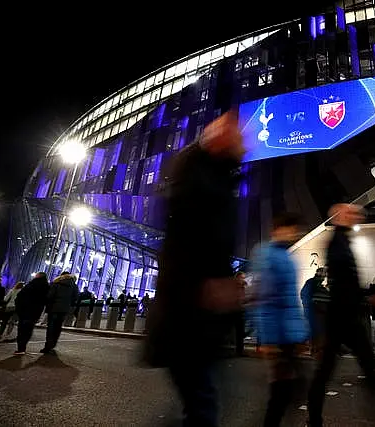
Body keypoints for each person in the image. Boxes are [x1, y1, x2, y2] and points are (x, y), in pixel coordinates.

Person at [145, 111, 245, 427]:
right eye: (238, 137)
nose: (245, 144)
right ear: (217, 138)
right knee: (202, 402)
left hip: (199, 312)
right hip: (190, 309)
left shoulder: (216, 178)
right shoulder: (198, 180)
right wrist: (212, 281)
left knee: (202, 398)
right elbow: (193, 239)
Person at [307, 204, 375, 427]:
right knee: (328, 373)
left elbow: (347, 282)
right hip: (341, 318)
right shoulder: (337, 243)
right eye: (352, 213)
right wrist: (369, 297)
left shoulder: (342, 241)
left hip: (345, 317)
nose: (358, 217)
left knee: (367, 365)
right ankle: (314, 419)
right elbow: (344, 283)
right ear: (340, 216)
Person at [252, 212, 308, 427]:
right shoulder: (268, 256)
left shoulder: (287, 256)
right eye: (290, 228)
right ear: (277, 230)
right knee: (282, 393)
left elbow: (291, 300)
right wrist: (268, 341)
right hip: (279, 338)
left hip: (290, 336)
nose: (294, 233)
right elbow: (265, 300)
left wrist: (301, 335)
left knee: (291, 390)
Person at [41, 272, 79, 354]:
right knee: (58, 328)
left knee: (51, 327)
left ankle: (47, 346)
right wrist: (68, 303)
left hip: (53, 308)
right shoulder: (73, 286)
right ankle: (52, 345)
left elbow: (50, 296)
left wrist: (49, 304)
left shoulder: (56, 283)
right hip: (64, 309)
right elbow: (75, 297)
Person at [14, 272, 49, 355]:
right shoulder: (46, 286)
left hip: (24, 310)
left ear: (37, 276)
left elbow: (19, 296)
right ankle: (23, 347)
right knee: (28, 329)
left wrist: (19, 308)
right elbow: (47, 299)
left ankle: (20, 348)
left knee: (21, 328)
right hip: (35, 311)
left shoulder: (30, 284)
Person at [300, 268, 328, 357]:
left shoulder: (315, 284)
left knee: (316, 332)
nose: (324, 278)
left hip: (315, 312)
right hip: (313, 312)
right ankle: (315, 350)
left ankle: (315, 350)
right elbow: (305, 295)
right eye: (323, 276)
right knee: (315, 332)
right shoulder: (313, 283)